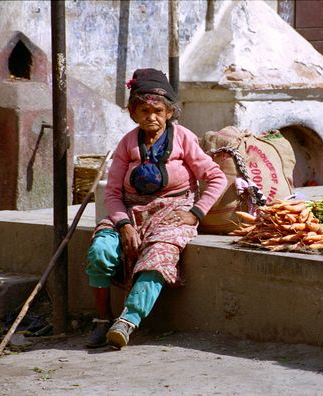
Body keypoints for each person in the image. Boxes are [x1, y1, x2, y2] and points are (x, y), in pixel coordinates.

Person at [84, 68, 227, 349]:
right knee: (101, 250)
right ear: (133, 113)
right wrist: (124, 225)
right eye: (144, 110)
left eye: (158, 110)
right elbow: (113, 192)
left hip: (173, 211)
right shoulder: (127, 143)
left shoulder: (184, 138)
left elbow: (216, 177)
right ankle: (102, 321)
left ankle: (127, 321)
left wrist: (195, 213)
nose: (152, 117)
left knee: (159, 255)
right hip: (131, 212)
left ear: (170, 112)